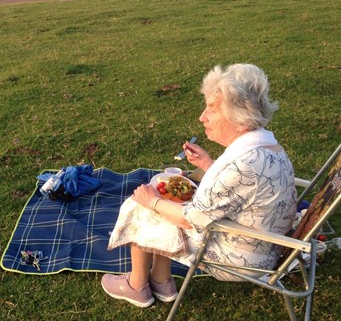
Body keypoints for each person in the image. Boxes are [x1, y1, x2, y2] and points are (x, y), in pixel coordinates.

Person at [101, 63, 297, 308]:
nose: (202, 116)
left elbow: (190, 219)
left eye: (212, 110)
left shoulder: (242, 165)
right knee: (165, 202)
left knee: (141, 205)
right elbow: (244, 188)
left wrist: (151, 200)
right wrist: (208, 164)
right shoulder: (268, 147)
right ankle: (161, 281)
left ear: (238, 118)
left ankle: (137, 285)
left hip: (242, 258)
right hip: (265, 244)